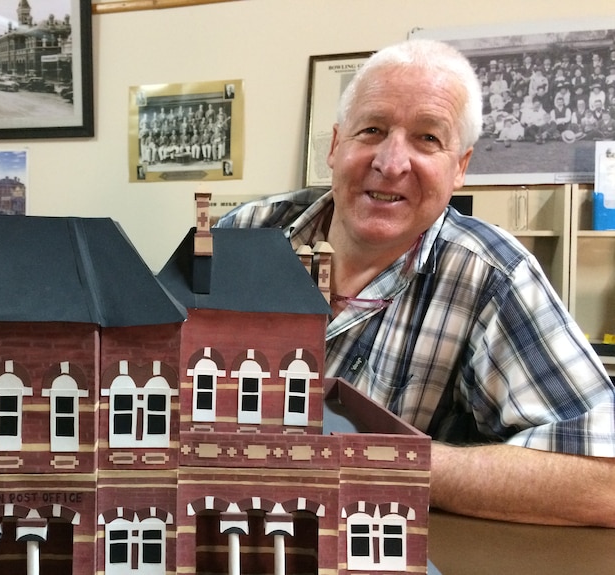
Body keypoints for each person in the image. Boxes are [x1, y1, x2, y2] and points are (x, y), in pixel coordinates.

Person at [216, 38, 615, 527]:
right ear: (336, 146)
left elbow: (604, 482)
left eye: (427, 138)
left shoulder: (491, 276)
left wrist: (373, 461)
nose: (391, 162)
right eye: (372, 129)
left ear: (461, 167)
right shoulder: (246, 233)